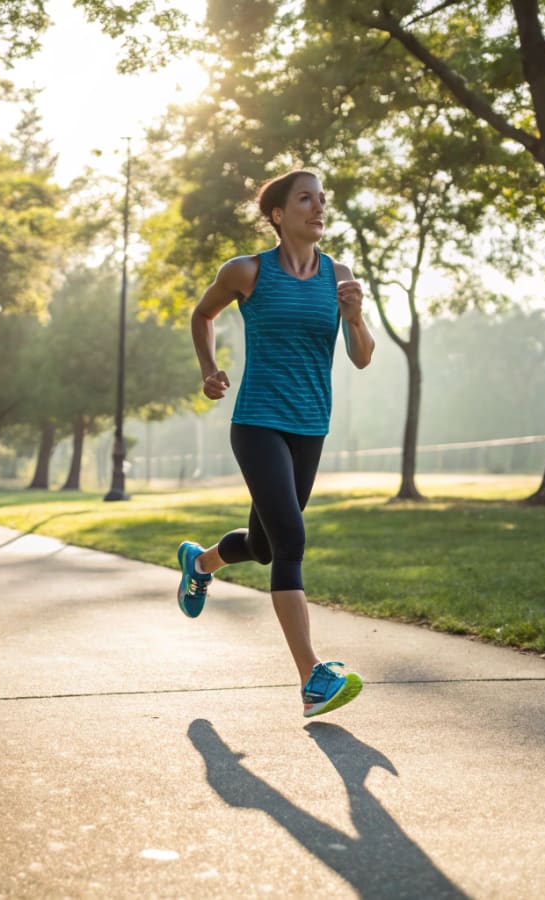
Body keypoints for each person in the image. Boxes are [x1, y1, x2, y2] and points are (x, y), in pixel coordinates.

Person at [176, 169, 375, 718]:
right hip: (259, 422)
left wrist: (355, 318)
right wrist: (209, 368)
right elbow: (202, 314)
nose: (318, 207)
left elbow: (361, 355)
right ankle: (313, 677)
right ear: (278, 214)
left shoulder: (340, 274)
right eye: (305, 199)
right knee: (290, 541)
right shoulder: (246, 271)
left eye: (322, 199)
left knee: (264, 547)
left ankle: (200, 564)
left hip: (311, 425)